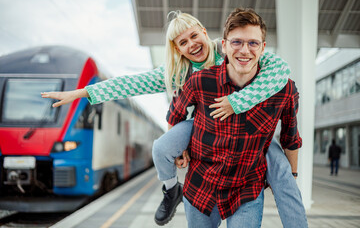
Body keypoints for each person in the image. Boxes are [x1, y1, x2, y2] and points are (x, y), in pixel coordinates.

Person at [40, 12, 305, 227]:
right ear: (177, 49)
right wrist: (83, 92)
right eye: (183, 42)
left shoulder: (236, 49)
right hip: (204, 125)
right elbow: (132, 85)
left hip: (251, 131)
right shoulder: (182, 72)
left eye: (194, 35)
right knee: (162, 146)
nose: (192, 45)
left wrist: (238, 102)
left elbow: (280, 70)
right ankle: (171, 190)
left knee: (282, 171)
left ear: (204, 31)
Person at [167, 7, 303, 228]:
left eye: (253, 43)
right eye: (237, 42)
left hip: (247, 188)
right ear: (224, 45)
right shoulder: (200, 82)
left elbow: (291, 138)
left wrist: (293, 174)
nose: (245, 51)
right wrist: (178, 146)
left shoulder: (284, 90)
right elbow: (175, 115)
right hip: (201, 185)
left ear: (263, 48)